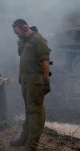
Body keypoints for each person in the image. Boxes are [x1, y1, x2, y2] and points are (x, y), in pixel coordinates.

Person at [10, 19, 51, 150]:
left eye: (18, 33)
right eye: (16, 34)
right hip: (26, 79)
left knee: (35, 112)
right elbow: (21, 54)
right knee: (29, 109)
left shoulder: (38, 40)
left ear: (25, 27)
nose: (17, 35)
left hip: (35, 80)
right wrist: (21, 40)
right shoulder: (26, 40)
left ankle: (32, 145)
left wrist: (45, 82)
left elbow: (45, 62)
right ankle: (24, 138)